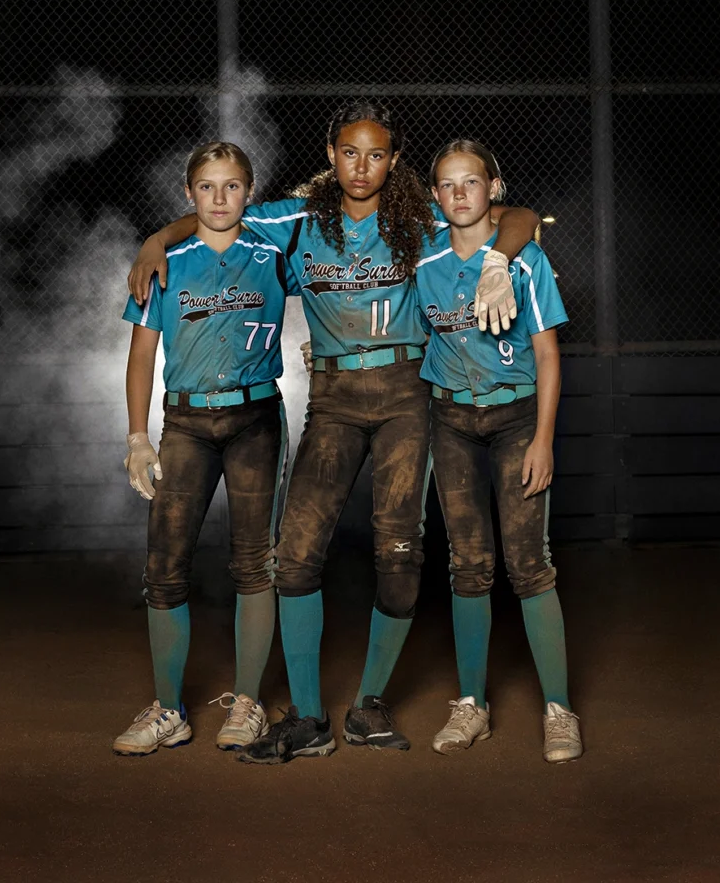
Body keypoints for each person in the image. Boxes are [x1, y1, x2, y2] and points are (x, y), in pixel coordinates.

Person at [128, 102, 539, 763]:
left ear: (394, 160)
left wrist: (494, 261)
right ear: (329, 153)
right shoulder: (298, 220)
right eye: (349, 151)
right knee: (293, 553)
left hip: (407, 393)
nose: (361, 166)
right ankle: (309, 716)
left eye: (376, 154)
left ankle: (370, 702)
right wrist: (159, 239)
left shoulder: (417, 217)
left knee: (400, 551)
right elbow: (218, 216)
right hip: (335, 398)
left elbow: (516, 216)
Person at [113, 142, 292, 756]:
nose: (220, 199)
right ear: (188, 195)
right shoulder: (166, 260)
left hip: (255, 419)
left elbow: (332, 287)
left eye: (233, 186)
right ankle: (169, 709)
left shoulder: (272, 250)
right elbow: (141, 356)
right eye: (207, 188)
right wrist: (137, 436)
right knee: (164, 566)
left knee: (254, 562)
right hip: (186, 423)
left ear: (250, 191)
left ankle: (247, 702)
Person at [416, 138, 582, 763]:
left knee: (528, 563)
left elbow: (546, 354)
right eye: (448, 185)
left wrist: (542, 438)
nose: (460, 194)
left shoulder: (524, 257)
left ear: (494, 187)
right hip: (451, 420)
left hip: (516, 418)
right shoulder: (423, 255)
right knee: (468, 564)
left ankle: (559, 708)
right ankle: (471, 705)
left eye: (472, 182)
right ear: (436, 196)